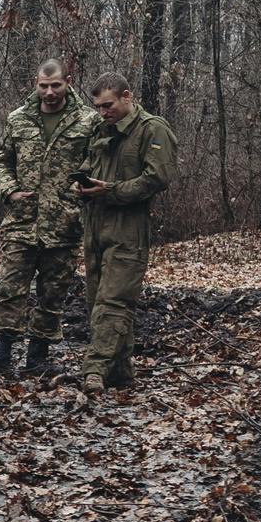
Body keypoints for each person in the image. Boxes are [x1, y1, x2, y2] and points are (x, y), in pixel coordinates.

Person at [0, 59, 93, 376]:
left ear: (68, 82)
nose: (49, 92)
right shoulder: (19, 120)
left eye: (56, 85)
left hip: (63, 223)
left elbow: (98, 161)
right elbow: (0, 162)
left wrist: (80, 187)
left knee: (52, 295)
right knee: (11, 291)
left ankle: (38, 359)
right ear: (35, 83)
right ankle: (0, 357)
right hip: (22, 222)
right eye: (43, 86)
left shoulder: (88, 121)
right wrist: (9, 191)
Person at [69, 72, 178, 395]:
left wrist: (112, 191)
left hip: (128, 230)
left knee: (114, 303)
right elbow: (90, 166)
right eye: (98, 107)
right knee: (96, 304)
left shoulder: (152, 129)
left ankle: (94, 370)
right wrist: (82, 185)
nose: (103, 112)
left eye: (108, 105)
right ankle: (120, 372)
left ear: (127, 96)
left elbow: (157, 178)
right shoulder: (102, 130)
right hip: (95, 227)